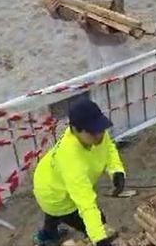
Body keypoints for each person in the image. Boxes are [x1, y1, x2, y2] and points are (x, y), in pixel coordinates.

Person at [32, 98, 124, 246]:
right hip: (54, 193)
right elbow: (86, 204)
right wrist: (100, 239)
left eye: (101, 129)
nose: (99, 135)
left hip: (50, 178)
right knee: (97, 221)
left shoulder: (95, 132)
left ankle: (47, 235)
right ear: (75, 129)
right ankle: (47, 238)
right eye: (94, 132)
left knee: (53, 216)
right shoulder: (71, 159)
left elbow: (109, 148)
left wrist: (116, 170)